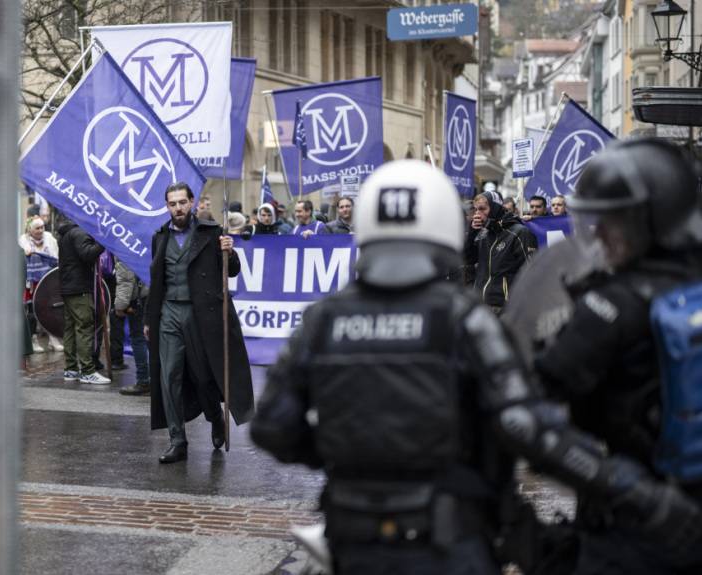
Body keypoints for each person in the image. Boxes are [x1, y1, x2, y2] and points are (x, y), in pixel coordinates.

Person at [251, 160, 701, 575]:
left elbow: (271, 426)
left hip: (349, 533)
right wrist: (637, 494)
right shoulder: (464, 318)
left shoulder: (322, 319)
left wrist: (343, 454)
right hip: (450, 536)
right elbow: (524, 425)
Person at [535, 138, 702, 574]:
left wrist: (618, 485)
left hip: (633, 527)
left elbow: (529, 417)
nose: (600, 234)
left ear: (650, 219)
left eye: (612, 220)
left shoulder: (611, 306)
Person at [145, 182, 254, 463]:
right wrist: (149, 318)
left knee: (204, 377)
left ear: (192, 202)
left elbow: (230, 271)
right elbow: (155, 282)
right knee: (168, 376)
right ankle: (177, 440)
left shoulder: (211, 232)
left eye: (182, 202)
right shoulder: (159, 238)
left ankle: (215, 418)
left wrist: (230, 251)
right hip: (169, 312)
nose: (178, 208)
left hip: (200, 313)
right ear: (167, 206)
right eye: (172, 203)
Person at [54, 212, 110, 385]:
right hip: (79, 288)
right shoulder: (78, 232)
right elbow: (87, 254)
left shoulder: (66, 233)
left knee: (70, 328)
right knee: (84, 327)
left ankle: (71, 369)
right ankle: (87, 371)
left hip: (69, 286)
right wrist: (104, 242)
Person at [464, 190, 537, 313]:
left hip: (505, 307)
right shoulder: (482, 233)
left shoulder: (520, 232)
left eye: (482, 209)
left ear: (495, 208)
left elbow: (531, 273)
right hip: (481, 305)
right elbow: (468, 259)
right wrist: (472, 233)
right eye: (476, 209)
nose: (477, 214)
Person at [20, 216, 62, 353]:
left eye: (42, 227)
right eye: (37, 228)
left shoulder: (49, 238)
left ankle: (53, 339)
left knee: (50, 310)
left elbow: (56, 256)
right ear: (30, 230)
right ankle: (33, 340)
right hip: (32, 282)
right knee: (32, 311)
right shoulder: (23, 239)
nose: (40, 230)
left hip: (48, 281)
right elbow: (23, 254)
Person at [114, 259, 150, 396]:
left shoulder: (126, 241)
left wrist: (120, 306)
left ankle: (143, 381)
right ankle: (158, 380)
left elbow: (126, 280)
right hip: (156, 295)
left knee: (138, 338)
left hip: (139, 300)